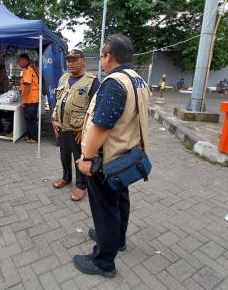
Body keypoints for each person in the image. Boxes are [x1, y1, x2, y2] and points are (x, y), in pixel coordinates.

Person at [74, 34, 150, 278]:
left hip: (108, 160)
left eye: (102, 55)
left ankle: (103, 261)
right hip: (127, 156)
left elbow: (101, 126)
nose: (101, 59)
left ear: (109, 56)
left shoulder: (114, 82)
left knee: (105, 208)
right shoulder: (138, 80)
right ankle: (117, 239)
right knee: (120, 199)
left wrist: (86, 158)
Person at [51, 49, 100, 202]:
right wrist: (53, 120)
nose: (70, 63)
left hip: (78, 130)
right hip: (62, 127)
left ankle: (81, 185)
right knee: (64, 155)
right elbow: (57, 101)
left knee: (79, 157)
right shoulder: (63, 78)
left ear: (83, 61)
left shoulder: (92, 81)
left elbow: (95, 109)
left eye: (74, 59)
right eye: (68, 60)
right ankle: (66, 177)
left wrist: (85, 130)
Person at [18, 53, 40, 144]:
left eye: (19, 61)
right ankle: (29, 136)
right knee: (28, 119)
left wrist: (23, 99)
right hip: (31, 98)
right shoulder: (29, 69)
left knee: (31, 119)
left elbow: (27, 85)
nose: (18, 63)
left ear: (24, 60)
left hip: (31, 99)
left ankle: (34, 138)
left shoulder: (28, 70)